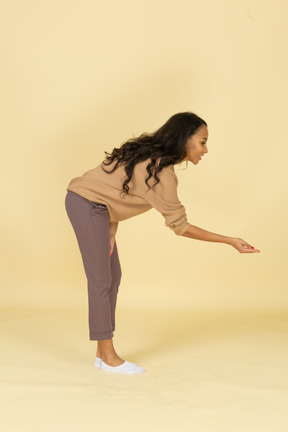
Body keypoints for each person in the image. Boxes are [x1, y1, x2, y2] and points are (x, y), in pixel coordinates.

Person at [65, 112, 260, 375]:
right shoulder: (161, 173)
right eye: (202, 142)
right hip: (86, 204)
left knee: (113, 275)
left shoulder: (149, 159)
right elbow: (181, 227)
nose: (205, 149)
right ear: (185, 139)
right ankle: (109, 358)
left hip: (92, 206)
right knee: (102, 279)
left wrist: (111, 228)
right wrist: (229, 240)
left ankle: (102, 354)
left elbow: (113, 189)